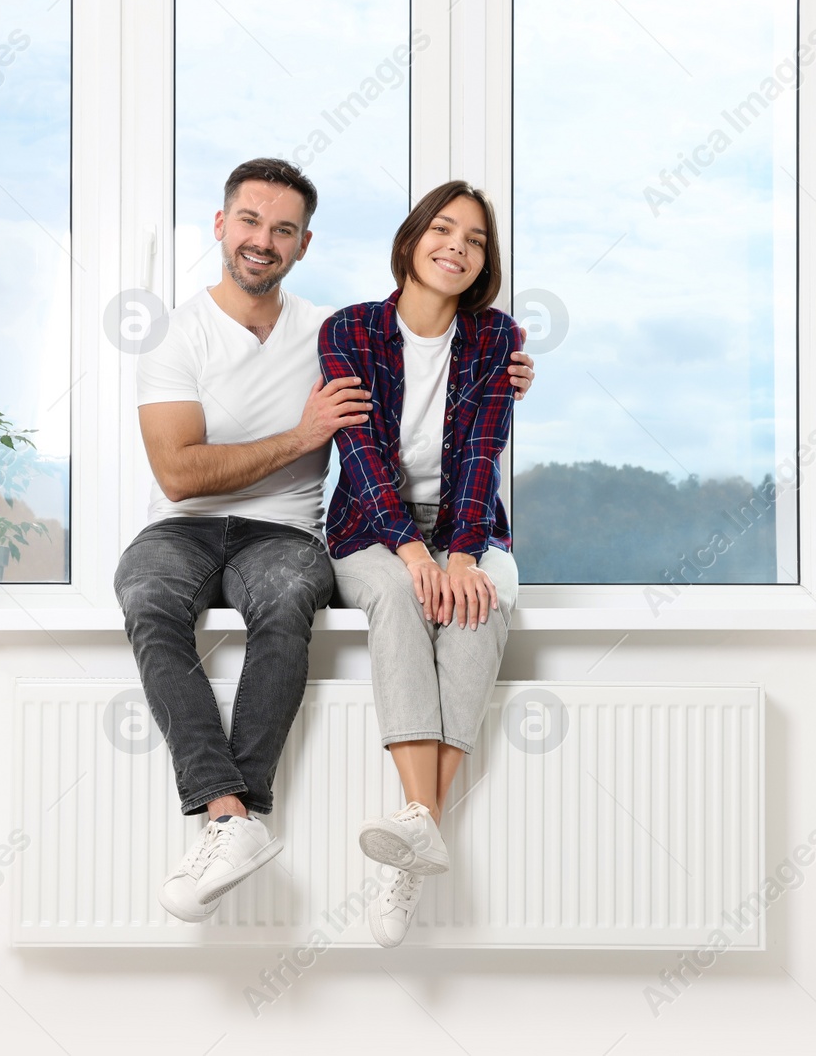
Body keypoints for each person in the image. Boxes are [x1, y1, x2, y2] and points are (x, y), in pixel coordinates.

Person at [113, 159, 537, 924]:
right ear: (220, 225)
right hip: (193, 527)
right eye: (249, 221)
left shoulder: (326, 327)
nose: (262, 241)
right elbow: (178, 474)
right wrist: (307, 437)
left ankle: (414, 828)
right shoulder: (186, 333)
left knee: (292, 601)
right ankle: (228, 816)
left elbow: (468, 421)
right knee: (145, 595)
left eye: (282, 230)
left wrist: (509, 375)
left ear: (305, 244)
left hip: (287, 531)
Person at [319, 180, 520, 947]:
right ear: (411, 240)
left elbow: (479, 451)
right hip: (370, 525)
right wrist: (411, 549)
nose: (457, 248)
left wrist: (463, 554)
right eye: (444, 229)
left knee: (479, 608)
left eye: (475, 240)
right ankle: (426, 826)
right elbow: (360, 453)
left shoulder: (496, 337)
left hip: (469, 524)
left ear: (484, 263)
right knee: (400, 600)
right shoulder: (351, 330)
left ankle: (411, 841)